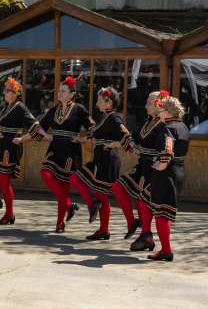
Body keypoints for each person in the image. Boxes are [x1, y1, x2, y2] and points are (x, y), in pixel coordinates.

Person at [0, 77, 45, 225]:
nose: (4, 92)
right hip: (0, 143)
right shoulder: (3, 106)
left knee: (3, 180)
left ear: (15, 93)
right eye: (5, 89)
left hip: (11, 146)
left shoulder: (21, 108)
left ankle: (9, 215)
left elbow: (36, 128)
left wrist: (21, 139)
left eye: (7, 90)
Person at [69, 87, 132, 240]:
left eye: (99, 101)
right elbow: (96, 136)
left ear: (109, 102)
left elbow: (125, 135)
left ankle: (104, 229)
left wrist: (127, 147)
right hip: (99, 157)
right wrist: (81, 139)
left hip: (108, 159)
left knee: (102, 196)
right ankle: (93, 207)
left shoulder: (113, 117)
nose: (97, 104)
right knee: (75, 179)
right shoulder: (104, 116)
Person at [32, 76, 93, 233]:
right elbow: (40, 127)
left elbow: (93, 128)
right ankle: (68, 205)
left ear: (72, 93)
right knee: (45, 174)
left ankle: (60, 223)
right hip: (54, 149)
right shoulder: (53, 110)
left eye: (63, 91)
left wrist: (82, 139)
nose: (59, 93)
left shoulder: (79, 109)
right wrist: (45, 135)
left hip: (71, 151)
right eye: (58, 90)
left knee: (64, 187)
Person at [139, 92, 190, 261]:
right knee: (158, 206)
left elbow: (168, 147)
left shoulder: (168, 127)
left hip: (166, 173)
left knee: (161, 212)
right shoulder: (183, 126)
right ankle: (160, 246)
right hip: (179, 170)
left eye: (160, 112)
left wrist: (162, 162)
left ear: (167, 113)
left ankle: (166, 251)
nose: (158, 115)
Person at [115, 91, 164, 244]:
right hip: (142, 164)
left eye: (149, 104)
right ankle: (133, 222)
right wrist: (134, 147)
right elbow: (132, 137)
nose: (146, 106)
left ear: (158, 105)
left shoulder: (165, 124)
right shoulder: (146, 122)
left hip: (155, 167)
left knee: (142, 199)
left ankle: (145, 235)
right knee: (118, 186)